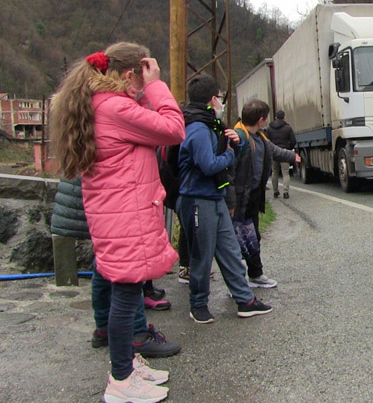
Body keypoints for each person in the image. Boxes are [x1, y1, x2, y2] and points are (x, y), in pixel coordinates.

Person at [50, 42, 184, 403]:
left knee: (124, 295)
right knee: (126, 299)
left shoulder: (100, 105)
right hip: (125, 217)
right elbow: (173, 129)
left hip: (117, 214)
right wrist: (157, 87)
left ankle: (127, 364)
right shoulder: (115, 108)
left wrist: (142, 91)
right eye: (142, 75)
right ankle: (121, 381)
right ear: (129, 76)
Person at [176, 74, 272, 324]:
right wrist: (231, 155)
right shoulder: (197, 128)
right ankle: (198, 304)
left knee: (230, 250)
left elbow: (226, 151)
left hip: (215, 197)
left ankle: (245, 299)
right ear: (212, 100)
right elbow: (208, 165)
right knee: (202, 255)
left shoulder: (211, 125)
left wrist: (236, 145)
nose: (222, 102)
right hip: (198, 199)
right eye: (219, 98)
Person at [49, 176, 181, 357]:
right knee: (127, 267)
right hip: (113, 199)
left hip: (90, 200)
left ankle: (104, 328)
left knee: (103, 263)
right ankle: (137, 336)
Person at [226, 99, 300, 288]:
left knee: (252, 236)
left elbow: (274, 151)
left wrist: (292, 156)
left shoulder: (260, 138)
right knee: (238, 241)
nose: (267, 121)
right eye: (265, 119)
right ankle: (238, 282)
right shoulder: (239, 138)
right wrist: (231, 202)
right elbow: (230, 174)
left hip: (252, 197)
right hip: (240, 199)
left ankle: (255, 274)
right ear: (260, 120)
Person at [266, 110, 296, 199]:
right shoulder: (288, 128)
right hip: (284, 152)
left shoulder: (269, 128)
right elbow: (293, 141)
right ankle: (285, 192)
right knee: (285, 173)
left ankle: (275, 191)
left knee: (275, 172)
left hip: (274, 153)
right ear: (284, 117)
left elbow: (267, 141)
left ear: (275, 117)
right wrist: (289, 148)